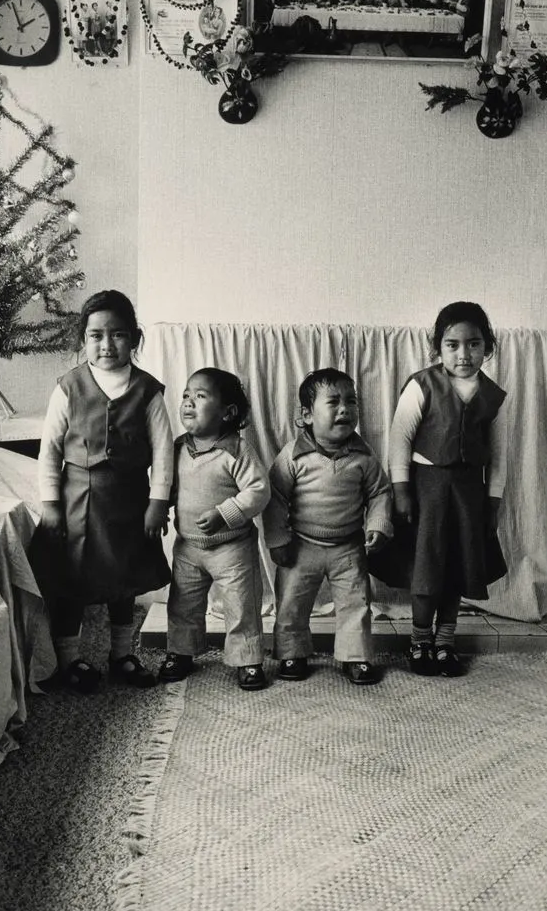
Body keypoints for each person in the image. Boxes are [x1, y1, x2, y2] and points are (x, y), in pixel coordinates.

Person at [36, 290, 173, 692]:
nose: (106, 344)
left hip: (129, 501)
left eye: (117, 335)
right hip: (78, 502)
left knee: (123, 582)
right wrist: (51, 506)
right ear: (83, 340)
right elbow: (49, 451)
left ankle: (121, 655)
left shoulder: (148, 392)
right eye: (96, 335)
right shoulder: (69, 387)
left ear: (133, 338)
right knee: (71, 582)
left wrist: (157, 504)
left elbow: (163, 454)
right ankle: (69, 661)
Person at [388, 302, 508, 678]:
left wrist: (493, 502)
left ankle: (444, 642)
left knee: (456, 569)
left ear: (487, 347)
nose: (463, 354)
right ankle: (419, 642)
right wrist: (402, 490)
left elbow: (499, 456)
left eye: (473, 344)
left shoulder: (492, 396)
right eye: (452, 344)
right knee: (427, 570)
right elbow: (399, 441)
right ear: (437, 347)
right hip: (428, 492)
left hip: (470, 495)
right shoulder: (422, 385)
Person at [263, 368, 393, 685]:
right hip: (301, 546)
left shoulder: (363, 457)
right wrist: (278, 540)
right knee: (292, 602)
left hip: (348, 547)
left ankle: (356, 656)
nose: (345, 409)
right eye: (333, 402)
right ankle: (291, 653)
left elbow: (380, 492)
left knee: (355, 603)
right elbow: (274, 498)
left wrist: (378, 524)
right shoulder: (293, 456)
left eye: (351, 401)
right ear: (307, 415)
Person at [159, 368, 270, 691]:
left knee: (241, 604)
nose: (189, 402)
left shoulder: (235, 450)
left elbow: (258, 490)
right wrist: (160, 507)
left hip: (231, 547)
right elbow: (167, 484)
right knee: (183, 603)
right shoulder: (178, 447)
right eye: (186, 395)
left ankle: (247, 658)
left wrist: (226, 513)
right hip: (189, 546)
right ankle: (181, 652)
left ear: (227, 413)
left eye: (201, 396)